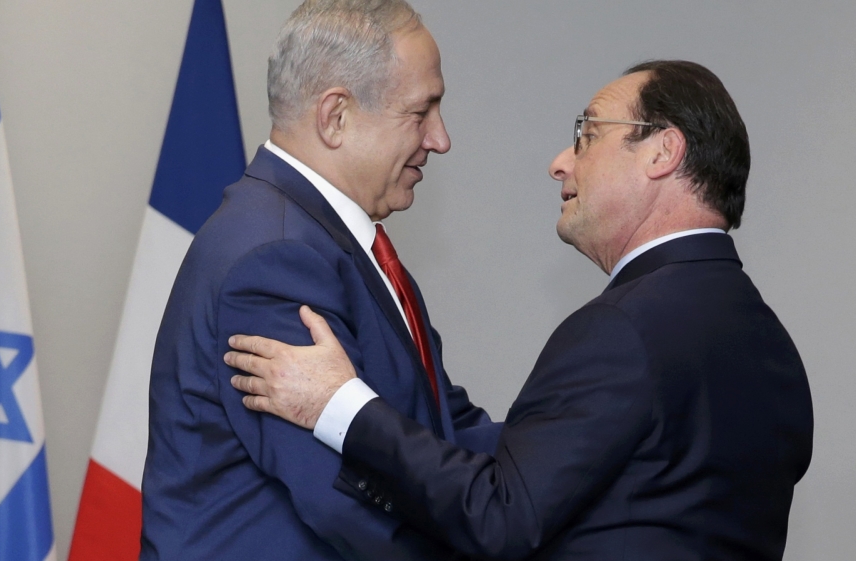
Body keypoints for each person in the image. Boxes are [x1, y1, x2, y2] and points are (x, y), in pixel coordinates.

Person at [224, 60, 815, 560]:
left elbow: (501, 516)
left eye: (587, 132)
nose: (561, 160)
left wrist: (342, 407)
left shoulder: (625, 329)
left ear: (663, 151)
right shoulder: (773, 347)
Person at [139, 1, 496, 559]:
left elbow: (441, 426)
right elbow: (340, 496)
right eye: (421, 112)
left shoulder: (328, 240)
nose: (440, 139)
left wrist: (585, 448)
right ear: (336, 116)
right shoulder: (276, 257)